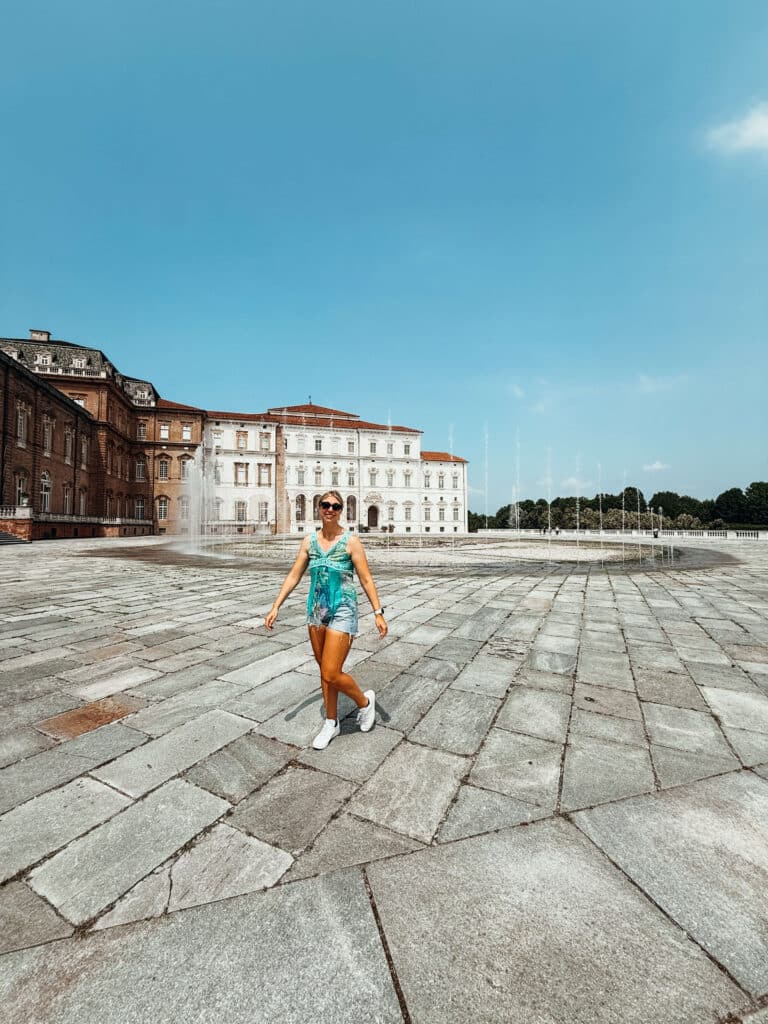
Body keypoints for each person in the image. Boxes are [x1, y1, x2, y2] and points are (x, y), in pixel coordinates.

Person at [265, 490, 388, 750]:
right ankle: (331, 722)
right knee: (325, 672)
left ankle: (365, 702)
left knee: (331, 671)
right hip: (317, 610)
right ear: (319, 508)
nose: (330, 509)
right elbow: (293, 576)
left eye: (335, 506)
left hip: (343, 608)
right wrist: (276, 606)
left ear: (342, 510)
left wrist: (378, 612)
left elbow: (366, 578)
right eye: (325, 505)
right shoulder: (309, 542)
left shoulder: (351, 542)